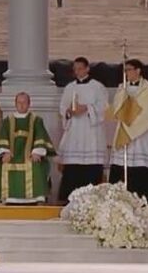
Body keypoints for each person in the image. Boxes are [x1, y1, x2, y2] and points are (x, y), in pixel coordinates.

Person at [109, 58, 148, 203]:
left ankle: (146, 198)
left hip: (142, 134)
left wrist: (130, 123)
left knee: (141, 164)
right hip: (125, 131)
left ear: (138, 70)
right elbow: (117, 107)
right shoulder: (122, 88)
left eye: (129, 70)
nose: (126, 73)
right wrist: (125, 103)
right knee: (123, 165)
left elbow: (147, 112)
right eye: (125, 70)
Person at [57, 57, 109, 203]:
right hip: (74, 134)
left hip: (91, 134)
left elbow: (103, 108)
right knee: (73, 169)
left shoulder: (97, 87)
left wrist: (86, 108)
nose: (77, 71)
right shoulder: (69, 88)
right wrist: (68, 112)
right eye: (75, 69)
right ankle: (69, 200)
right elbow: (63, 108)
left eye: (80, 68)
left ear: (87, 69)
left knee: (90, 169)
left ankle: (91, 200)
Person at [0, 92, 55, 204]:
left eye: (24, 102)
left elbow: (40, 135)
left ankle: (36, 197)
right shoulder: (8, 121)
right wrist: (4, 152)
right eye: (19, 102)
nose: (21, 105)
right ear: (15, 104)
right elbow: (2, 137)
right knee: (3, 165)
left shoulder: (36, 120)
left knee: (37, 166)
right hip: (12, 154)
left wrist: (37, 152)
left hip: (30, 155)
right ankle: (7, 197)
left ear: (29, 104)